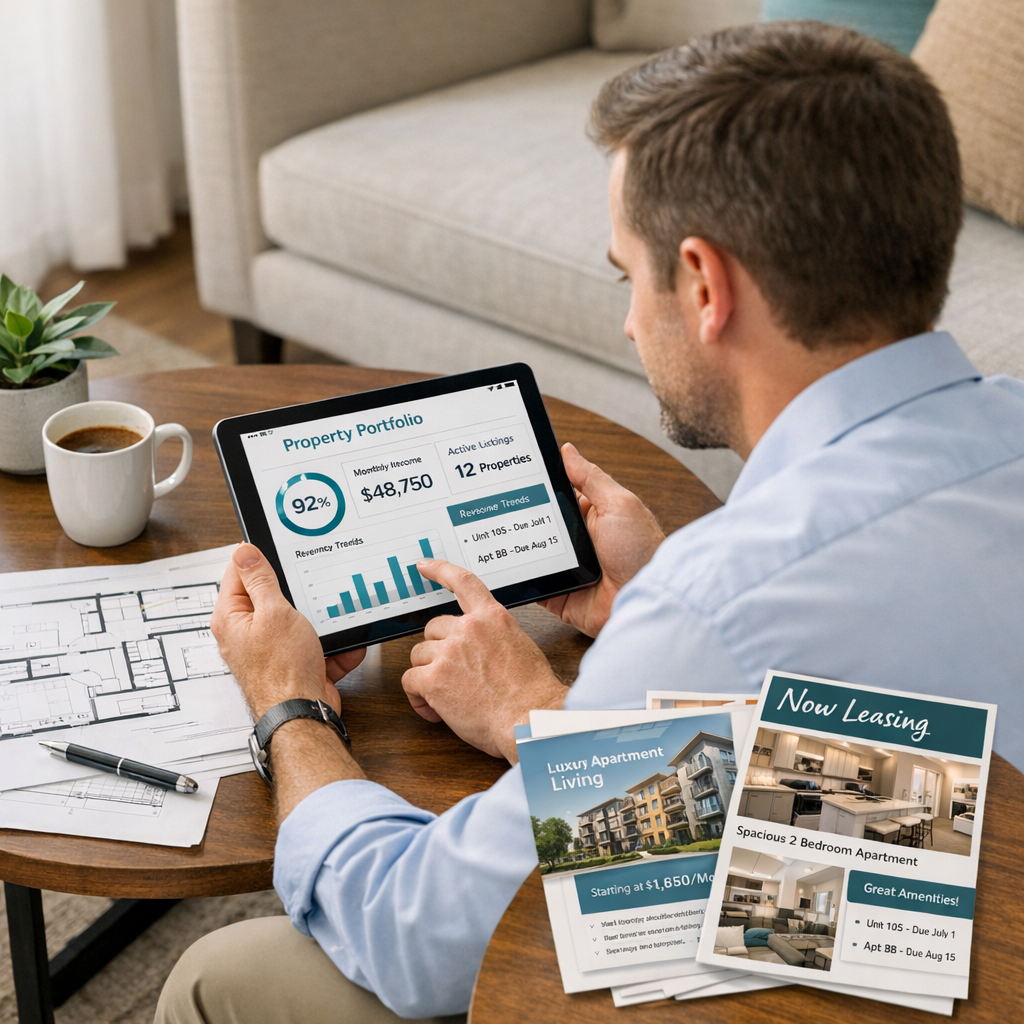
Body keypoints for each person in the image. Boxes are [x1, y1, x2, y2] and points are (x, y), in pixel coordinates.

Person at [156, 20, 1024, 1024]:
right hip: (947, 942)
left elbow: (413, 939)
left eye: (628, 275)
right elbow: (908, 820)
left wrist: (288, 707)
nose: (628, 320)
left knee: (224, 975)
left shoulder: (715, 607)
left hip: (821, 988)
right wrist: (563, 710)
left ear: (704, 284)